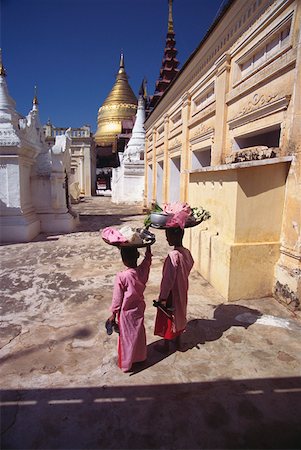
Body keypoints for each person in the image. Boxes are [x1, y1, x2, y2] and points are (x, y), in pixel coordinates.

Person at [106, 245, 152, 372]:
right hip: (138, 310)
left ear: (123, 259)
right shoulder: (142, 271)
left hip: (126, 314)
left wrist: (113, 314)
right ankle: (140, 357)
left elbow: (117, 298)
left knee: (127, 338)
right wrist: (148, 247)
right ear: (137, 255)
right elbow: (147, 261)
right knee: (138, 334)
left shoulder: (122, 276)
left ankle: (127, 363)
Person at [154, 227, 194, 352]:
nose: (166, 238)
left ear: (175, 236)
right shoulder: (186, 252)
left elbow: (168, 279)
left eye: (168, 235)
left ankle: (166, 345)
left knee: (168, 315)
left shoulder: (173, 256)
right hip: (182, 287)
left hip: (172, 292)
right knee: (180, 313)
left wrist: (163, 297)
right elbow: (191, 264)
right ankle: (179, 340)